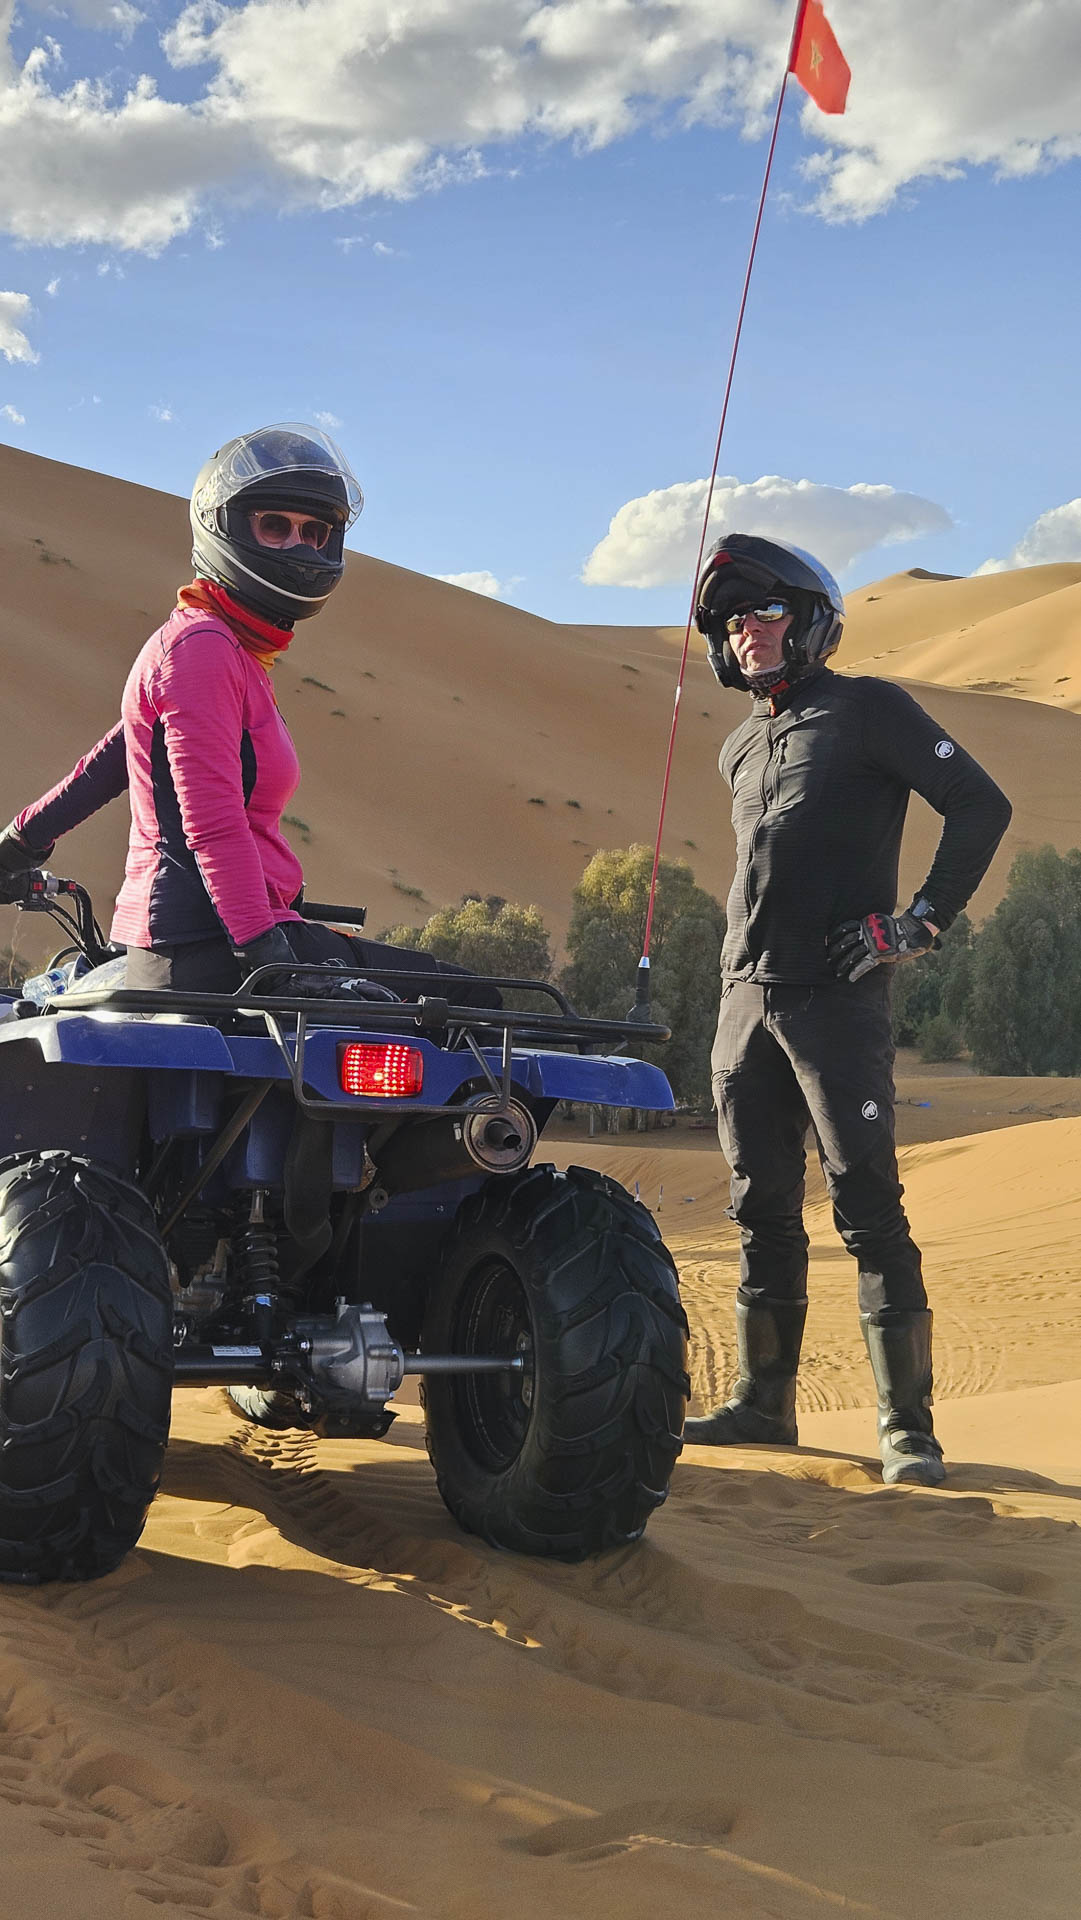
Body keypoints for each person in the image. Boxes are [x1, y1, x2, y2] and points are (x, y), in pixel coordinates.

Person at [684, 533, 1012, 1486]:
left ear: (811, 622)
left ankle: (907, 1431)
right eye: (732, 620)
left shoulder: (868, 708)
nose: (747, 631)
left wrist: (918, 923)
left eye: (766, 611)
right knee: (759, 1208)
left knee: (866, 1206)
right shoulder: (738, 746)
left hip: (836, 1003)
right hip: (742, 1002)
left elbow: (979, 804)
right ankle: (762, 1405)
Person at [0, 423, 490, 1006]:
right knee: (476, 1003)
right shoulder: (202, 648)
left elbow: (116, 758)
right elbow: (210, 820)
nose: (300, 549)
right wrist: (264, 952)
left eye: (315, 533)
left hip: (206, 944)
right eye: (275, 526)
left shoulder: (220, 648)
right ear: (224, 527)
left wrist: (22, 841)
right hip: (211, 952)